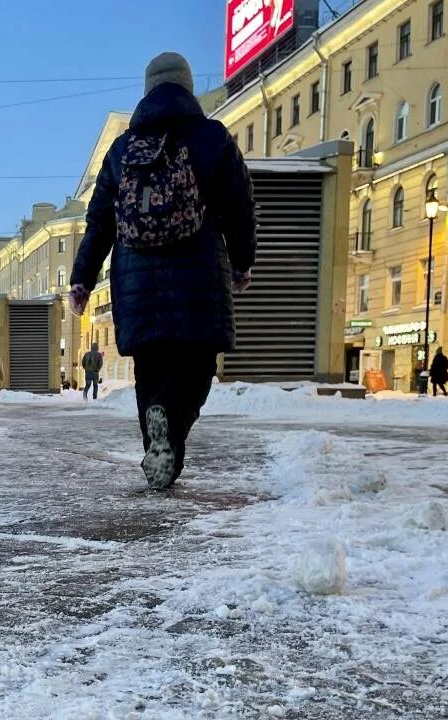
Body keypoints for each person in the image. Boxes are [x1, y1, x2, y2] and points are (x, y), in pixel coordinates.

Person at [69, 52, 257, 492]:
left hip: (137, 285)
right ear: (188, 88)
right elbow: (240, 207)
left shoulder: (121, 151)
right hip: (198, 279)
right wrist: (243, 261)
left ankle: (159, 445)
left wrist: (82, 277)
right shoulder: (211, 138)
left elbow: (99, 221)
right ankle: (169, 430)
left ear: (147, 91)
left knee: (150, 371)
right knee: (195, 368)